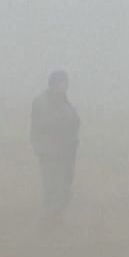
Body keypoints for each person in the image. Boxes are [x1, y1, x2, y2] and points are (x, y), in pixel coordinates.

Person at [30, 70, 81, 230]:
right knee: (52, 188)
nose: (64, 86)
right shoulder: (42, 102)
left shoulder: (65, 102)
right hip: (50, 153)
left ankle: (56, 221)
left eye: (65, 83)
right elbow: (39, 127)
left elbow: (74, 122)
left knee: (65, 188)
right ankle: (47, 224)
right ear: (52, 84)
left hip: (66, 153)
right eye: (61, 83)